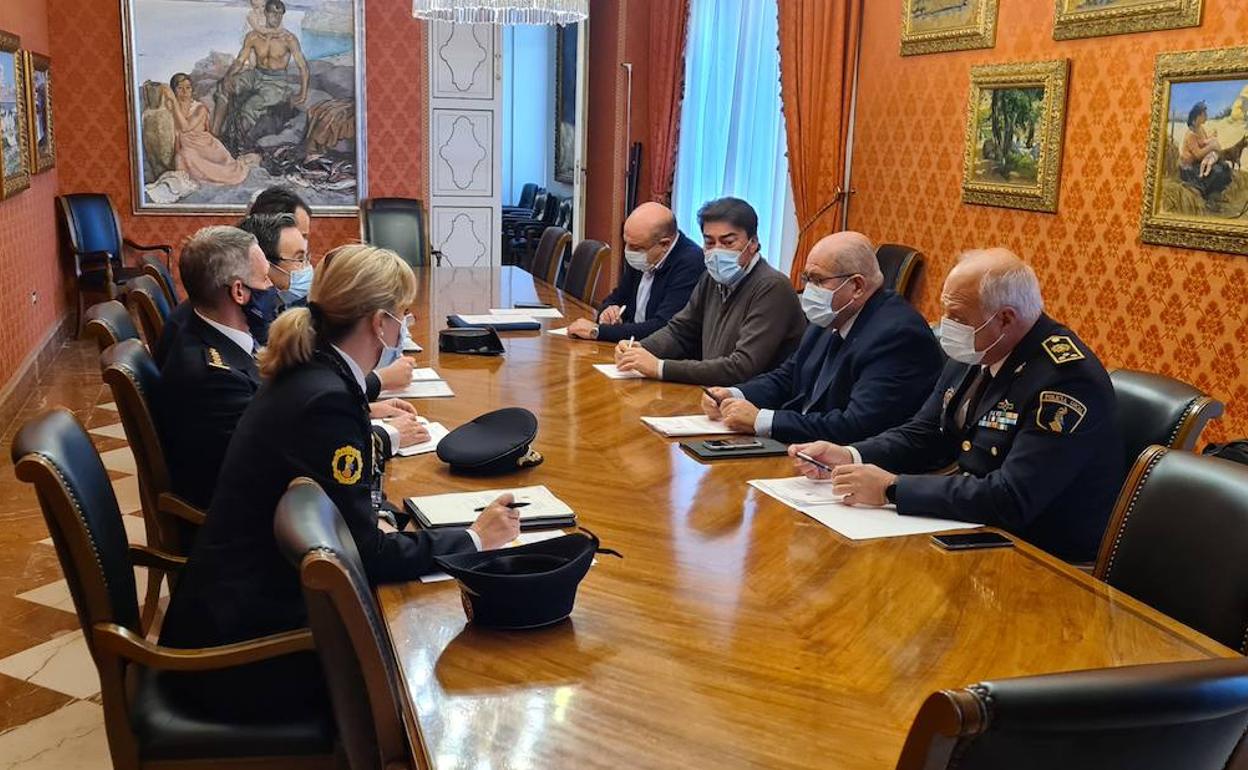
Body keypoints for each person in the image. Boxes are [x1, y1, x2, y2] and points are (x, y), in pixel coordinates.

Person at [159, 244, 520, 718]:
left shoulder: (313, 371)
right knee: (438, 681)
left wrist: (379, 519)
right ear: (377, 322)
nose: (405, 328)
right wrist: (473, 537)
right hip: (244, 652)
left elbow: (352, 515)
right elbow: (365, 556)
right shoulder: (325, 398)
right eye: (404, 315)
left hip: (234, 606)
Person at [790, 248, 1122, 562]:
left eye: (957, 316)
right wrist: (850, 455)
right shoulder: (979, 347)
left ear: (1005, 319)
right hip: (972, 525)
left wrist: (892, 488)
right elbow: (925, 432)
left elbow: (1011, 497)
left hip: (1037, 554)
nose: (946, 324)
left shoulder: (1065, 381)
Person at [157, 227, 428, 513]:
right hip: (255, 526)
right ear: (239, 291)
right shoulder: (212, 375)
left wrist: (366, 404)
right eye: (264, 279)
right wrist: (385, 437)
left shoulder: (219, 336)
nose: (274, 289)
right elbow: (277, 456)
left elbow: (288, 416)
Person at [702, 232, 942, 444]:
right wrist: (734, 394)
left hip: (854, 466)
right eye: (807, 279)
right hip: (807, 447)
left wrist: (763, 420)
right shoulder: (831, 316)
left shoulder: (897, 335)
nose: (808, 290)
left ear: (857, 286)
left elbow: (857, 426)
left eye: (817, 280)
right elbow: (788, 377)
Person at [614, 197, 805, 385]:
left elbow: (742, 367)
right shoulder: (711, 277)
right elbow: (681, 330)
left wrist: (659, 367)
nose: (717, 251)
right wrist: (641, 348)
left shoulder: (772, 287)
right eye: (709, 242)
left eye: (728, 242)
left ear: (753, 243)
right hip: (713, 394)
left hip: (750, 405)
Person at [567, 202, 704, 343]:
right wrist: (609, 311)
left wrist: (598, 331)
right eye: (626, 243)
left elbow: (663, 327)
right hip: (629, 346)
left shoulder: (691, 263)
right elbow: (616, 297)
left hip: (661, 355)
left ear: (665, 244)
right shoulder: (643, 254)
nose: (628, 251)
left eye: (635, 247)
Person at [213, 0, 309, 150]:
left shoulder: (289, 39)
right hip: (256, 74)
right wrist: (228, 76)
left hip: (276, 82)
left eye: (279, 14)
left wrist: (303, 93)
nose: (276, 17)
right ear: (266, 13)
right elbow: (240, 60)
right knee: (223, 86)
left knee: (250, 106)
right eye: (273, 13)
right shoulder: (253, 36)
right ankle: (215, 134)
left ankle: (237, 146)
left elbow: (302, 67)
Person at [162, 73, 255, 185]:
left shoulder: (200, 108)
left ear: (192, 89)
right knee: (181, 156)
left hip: (206, 146)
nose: (184, 91)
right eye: (180, 88)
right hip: (187, 147)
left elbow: (185, 128)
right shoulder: (170, 108)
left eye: (188, 88)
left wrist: (173, 103)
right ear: (174, 90)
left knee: (188, 156)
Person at [237, 212, 311, 309]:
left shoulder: (296, 308)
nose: (307, 267)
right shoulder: (246, 319)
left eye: (306, 258)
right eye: (299, 259)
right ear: (264, 264)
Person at [1179, 101, 1233, 207]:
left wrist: (1211, 138)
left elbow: (1204, 143)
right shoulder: (1191, 134)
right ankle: (1206, 197)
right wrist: (1212, 146)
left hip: (1199, 163)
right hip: (1190, 168)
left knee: (1225, 166)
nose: (1206, 117)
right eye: (1204, 114)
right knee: (1216, 171)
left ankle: (1216, 193)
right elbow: (1198, 154)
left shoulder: (1200, 129)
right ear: (1198, 116)